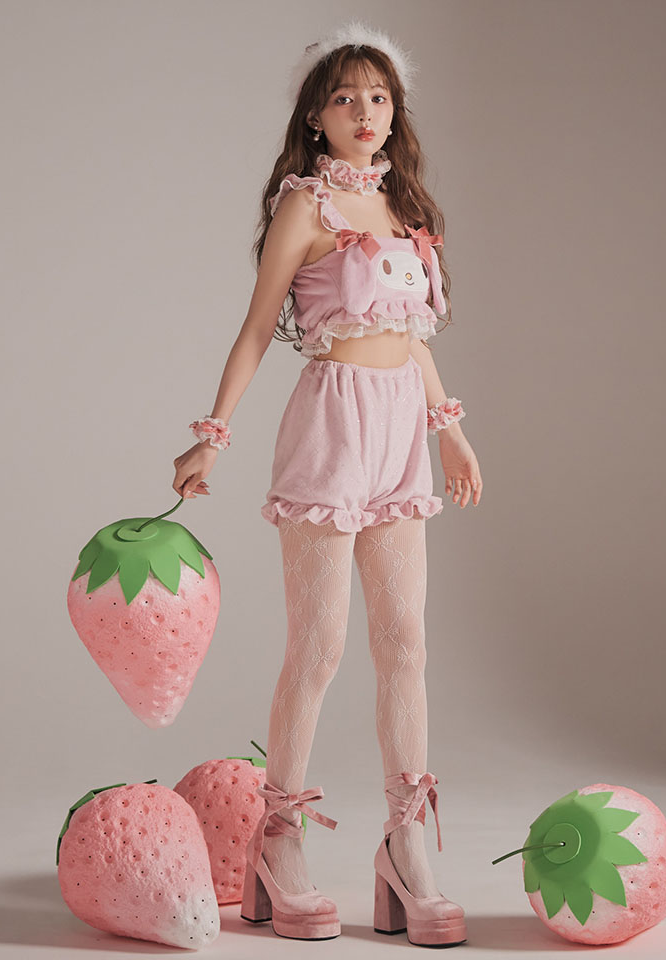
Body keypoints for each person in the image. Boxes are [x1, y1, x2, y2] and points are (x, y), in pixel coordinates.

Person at [172, 20, 482, 946]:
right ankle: (281, 840)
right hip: (332, 425)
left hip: (401, 433)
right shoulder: (306, 208)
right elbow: (257, 328)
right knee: (320, 648)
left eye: (378, 97)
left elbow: (411, 336)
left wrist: (452, 433)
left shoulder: (398, 205)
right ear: (316, 115)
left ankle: (407, 844)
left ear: (395, 111)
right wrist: (212, 439)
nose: (364, 112)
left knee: (406, 645)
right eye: (345, 98)